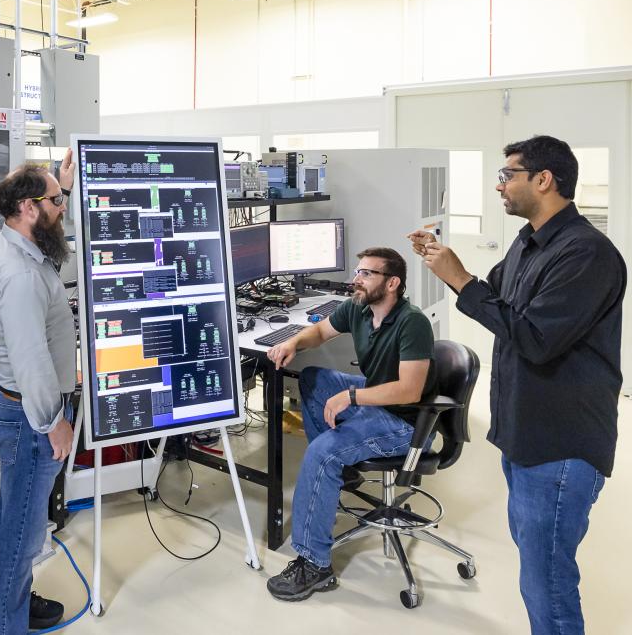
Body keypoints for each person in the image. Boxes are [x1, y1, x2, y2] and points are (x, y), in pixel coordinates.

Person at [408, 135, 625, 635]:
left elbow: (534, 338)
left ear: (543, 180)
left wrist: (459, 278)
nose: (499, 185)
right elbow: (498, 300)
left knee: (547, 584)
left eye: (508, 175)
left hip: (561, 446)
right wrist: (447, 264)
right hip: (525, 435)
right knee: (538, 568)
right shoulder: (529, 239)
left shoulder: (587, 253)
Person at [264, 247, 437, 601]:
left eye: (366, 274)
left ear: (392, 283)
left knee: (322, 452)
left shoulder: (412, 322)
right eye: (358, 272)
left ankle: (315, 566)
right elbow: (321, 332)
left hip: (406, 422)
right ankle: (341, 472)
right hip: (378, 400)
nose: (356, 279)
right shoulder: (358, 308)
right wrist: (293, 342)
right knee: (313, 378)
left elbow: (410, 389)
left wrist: (352, 398)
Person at [0, 150, 77, 635]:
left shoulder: (19, 246)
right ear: (29, 208)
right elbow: (31, 361)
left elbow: (57, 248)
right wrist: (52, 421)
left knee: (24, 523)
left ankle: (10, 602)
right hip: (28, 418)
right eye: (57, 201)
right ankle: (4, 625)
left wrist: (63, 184)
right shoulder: (18, 275)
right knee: (21, 531)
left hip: (21, 412)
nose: (63, 209)